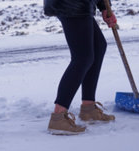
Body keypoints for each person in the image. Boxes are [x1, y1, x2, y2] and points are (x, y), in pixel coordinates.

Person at [44, 0, 117, 135]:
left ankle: (88, 108)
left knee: (98, 47)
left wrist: (104, 7)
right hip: (71, 4)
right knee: (82, 57)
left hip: (81, 4)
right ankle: (58, 118)